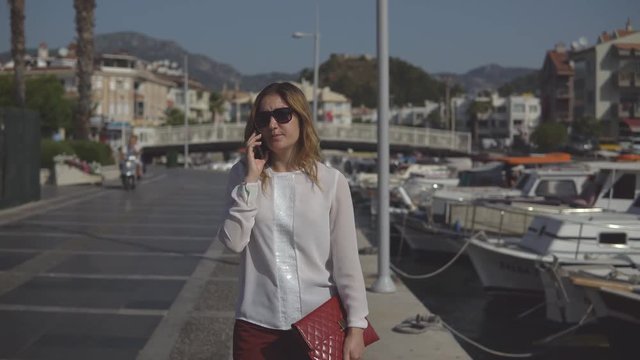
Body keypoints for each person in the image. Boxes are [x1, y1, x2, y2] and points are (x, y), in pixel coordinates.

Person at [217, 82, 369, 360]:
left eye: (283, 115)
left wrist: (356, 326)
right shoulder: (241, 176)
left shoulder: (331, 181)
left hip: (318, 322)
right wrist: (251, 181)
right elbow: (233, 242)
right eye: (264, 118)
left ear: (301, 118)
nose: (273, 124)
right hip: (256, 325)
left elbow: (346, 260)